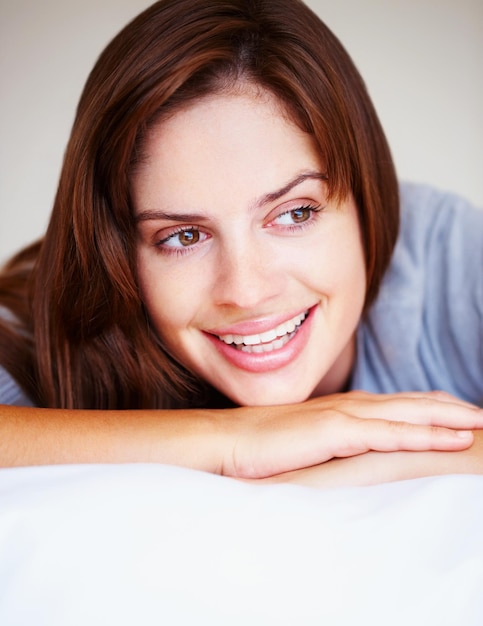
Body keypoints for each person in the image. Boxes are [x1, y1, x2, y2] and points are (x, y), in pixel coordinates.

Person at [0, 0, 482, 487]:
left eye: (295, 213)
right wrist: (232, 442)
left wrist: (366, 460)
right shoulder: (41, 329)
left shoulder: (446, 258)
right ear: (118, 252)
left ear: (366, 194)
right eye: (184, 236)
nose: (247, 292)